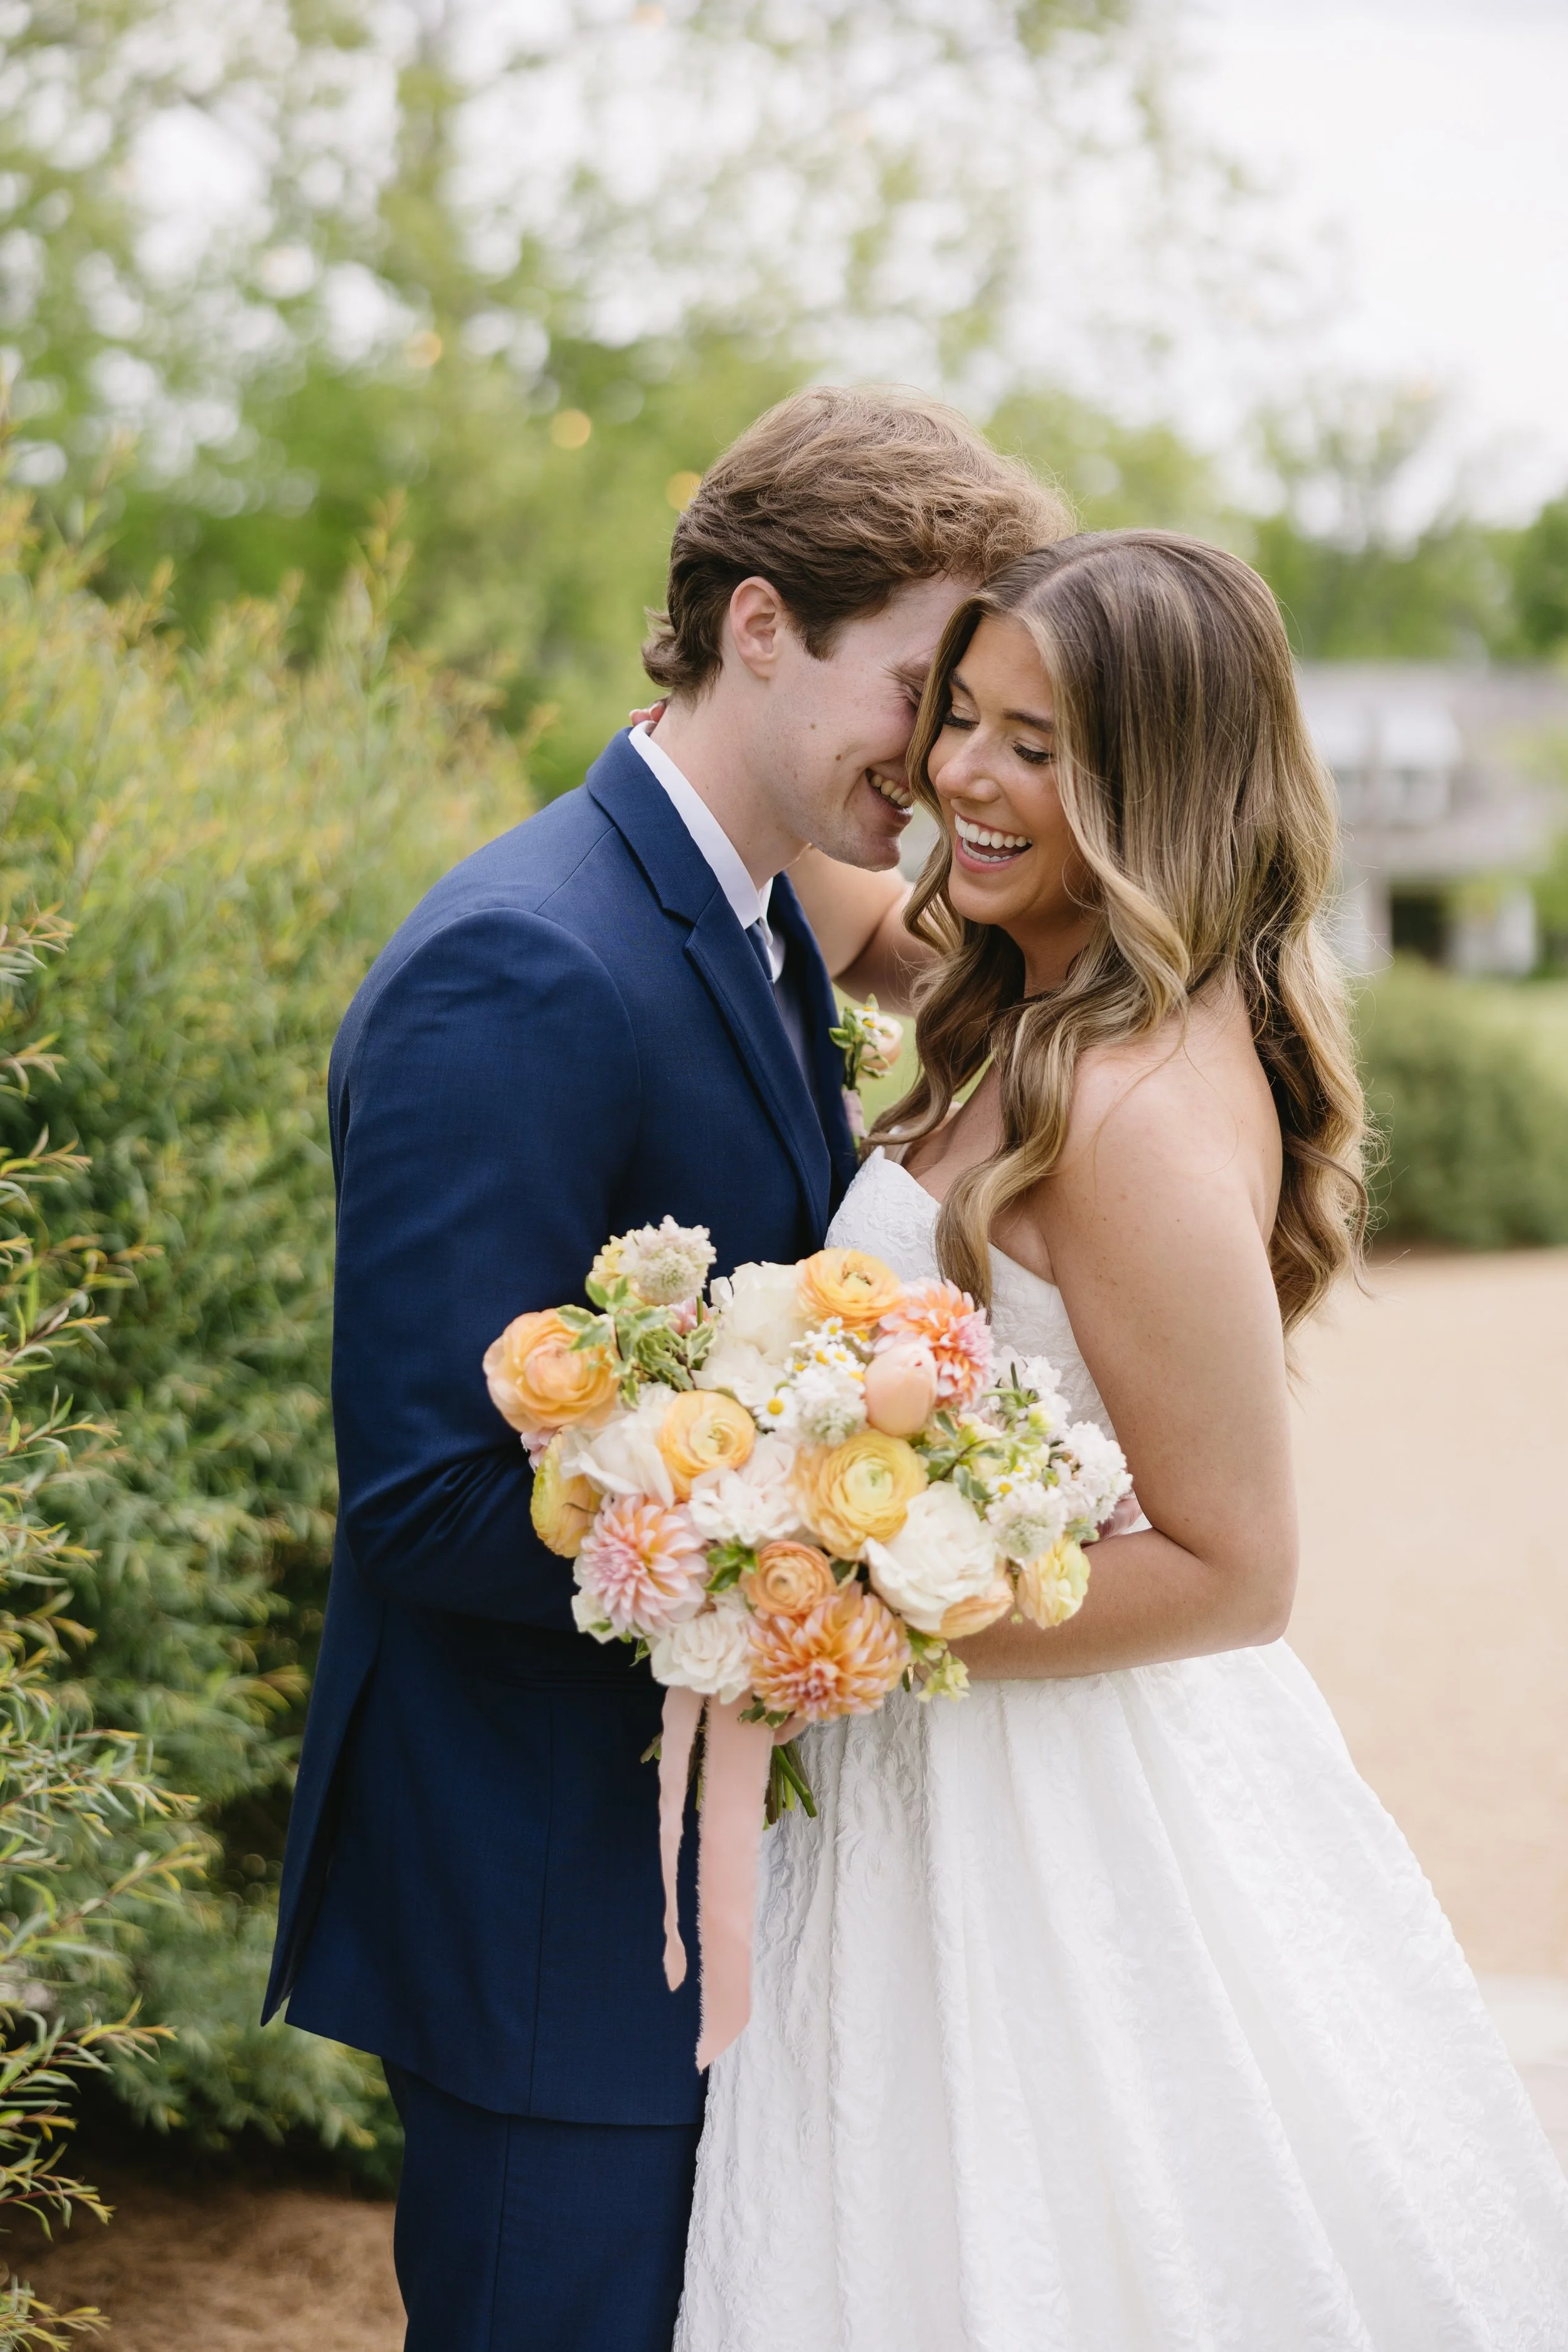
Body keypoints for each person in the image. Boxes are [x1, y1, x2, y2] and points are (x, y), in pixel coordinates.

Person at [677, 533, 1568, 2349]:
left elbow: (1239, 1569)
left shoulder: (1135, 1109)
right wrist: (706, 712)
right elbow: (833, 895)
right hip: (921, 1778)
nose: (963, 778)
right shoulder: (1020, 988)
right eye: (960, 720)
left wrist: (855, 1613)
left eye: (1038, 746)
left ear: (1155, 786)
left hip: (1047, 1807)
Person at [263, 384, 1067, 2352]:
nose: (943, 755)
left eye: (979, 711)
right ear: (760, 623)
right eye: (920, 690)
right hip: (547, 1909)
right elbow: (433, 1494)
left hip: (686, 1884)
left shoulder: (755, 909)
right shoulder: (523, 959)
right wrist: (837, 1568)